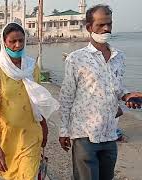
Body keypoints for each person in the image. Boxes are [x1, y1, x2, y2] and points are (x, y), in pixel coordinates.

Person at [59, 5, 139, 180]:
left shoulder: (119, 57)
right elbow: (66, 97)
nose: (106, 29)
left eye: (109, 24)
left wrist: (127, 95)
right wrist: (64, 130)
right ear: (89, 27)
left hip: (110, 133)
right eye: (101, 24)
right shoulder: (76, 59)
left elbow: (116, 87)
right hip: (84, 135)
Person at [0, 22, 59, 180]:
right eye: (12, 41)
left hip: (31, 135)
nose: (17, 45)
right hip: (6, 137)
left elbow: (38, 102)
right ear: (4, 43)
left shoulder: (32, 67)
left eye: (21, 40)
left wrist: (44, 127)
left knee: (28, 175)